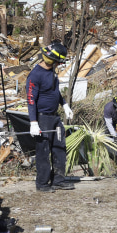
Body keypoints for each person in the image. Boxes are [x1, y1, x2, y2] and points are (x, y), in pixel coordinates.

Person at [26, 40, 75, 192]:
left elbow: (54, 92)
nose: (59, 65)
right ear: (54, 60)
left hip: (54, 116)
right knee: (43, 151)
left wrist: (64, 104)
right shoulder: (35, 75)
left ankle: (58, 180)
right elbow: (30, 99)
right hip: (42, 118)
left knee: (59, 147)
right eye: (58, 62)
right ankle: (42, 183)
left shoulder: (51, 72)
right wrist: (34, 122)